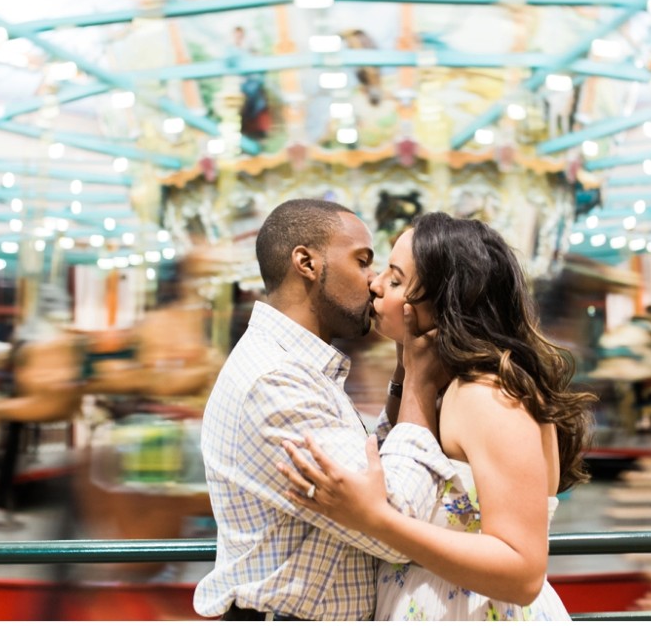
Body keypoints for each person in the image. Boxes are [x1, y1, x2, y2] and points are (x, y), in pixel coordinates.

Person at [279, 212, 596, 621]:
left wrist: (375, 520)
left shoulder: (488, 394)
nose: (374, 284)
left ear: (444, 305)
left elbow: (522, 571)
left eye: (394, 280)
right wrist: (408, 370)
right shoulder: (450, 389)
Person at [194, 198, 458, 621]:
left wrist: (402, 379)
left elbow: (378, 468)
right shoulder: (275, 382)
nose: (374, 283)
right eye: (363, 261)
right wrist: (421, 383)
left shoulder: (296, 366)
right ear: (306, 262)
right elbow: (397, 523)